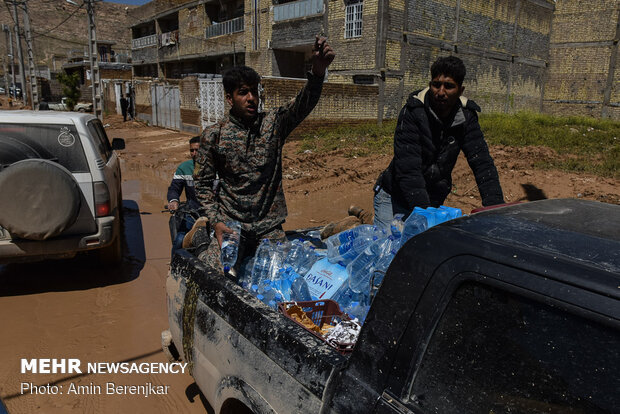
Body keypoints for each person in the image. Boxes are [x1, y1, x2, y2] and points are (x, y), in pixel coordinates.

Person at [194, 36, 335, 276]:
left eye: (254, 92)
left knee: (285, 276)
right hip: (231, 225)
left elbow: (303, 104)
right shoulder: (213, 135)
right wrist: (217, 220)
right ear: (230, 98)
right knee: (213, 274)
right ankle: (199, 236)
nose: (251, 98)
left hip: (268, 227)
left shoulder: (274, 124)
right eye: (243, 92)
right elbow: (202, 184)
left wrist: (318, 71)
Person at [373, 56, 504, 228]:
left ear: (460, 90)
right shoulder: (413, 112)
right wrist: (426, 215)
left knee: (425, 248)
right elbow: (408, 170)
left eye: (449, 86)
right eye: (436, 84)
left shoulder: (466, 116)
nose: (440, 92)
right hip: (394, 198)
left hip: (432, 198)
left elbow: (482, 163)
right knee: (390, 250)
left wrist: (496, 209)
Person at [167, 136, 201, 254]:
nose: (194, 153)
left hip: (214, 215)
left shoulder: (217, 168)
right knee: (179, 240)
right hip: (192, 212)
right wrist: (173, 201)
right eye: (192, 150)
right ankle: (173, 268)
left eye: (197, 150)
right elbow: (174, 188)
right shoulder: (184, 168)